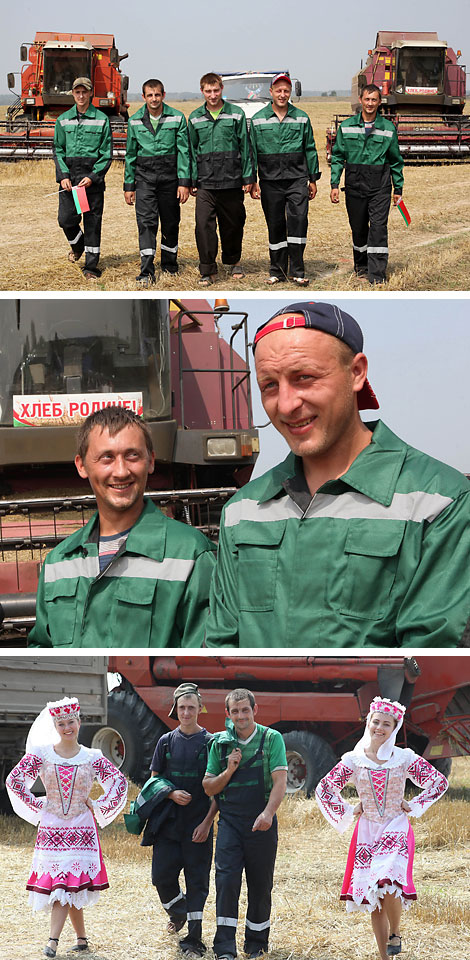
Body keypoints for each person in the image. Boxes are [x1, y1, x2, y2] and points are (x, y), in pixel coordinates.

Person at [205, 300, 470, 649]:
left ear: (357, 372)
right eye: (270, 385)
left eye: (305, 378)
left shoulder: (438, 502)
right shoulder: (242, 512)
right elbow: (220, 646)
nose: (285, 405)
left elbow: (428, 654)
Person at [29, 406, 215, 648]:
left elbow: (205, 655)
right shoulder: (57, 563)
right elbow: (42, 651)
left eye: (132, 456)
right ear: (82, 465)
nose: (121, 471)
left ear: (150, 461)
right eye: (106, 457)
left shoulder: (192, 555)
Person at [315, 696, 448, 960]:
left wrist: (414, 805)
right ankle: (384, 959)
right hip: (366, 831)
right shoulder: (353, 760)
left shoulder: (403, 758)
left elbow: (438, 782)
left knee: (388, 881)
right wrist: (349, 810)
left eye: (386, 724)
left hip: (396, 826)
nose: (380, 728)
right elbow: (325, 788)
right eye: (376, 722)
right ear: (368, 723)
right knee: (373, 894)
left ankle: (396, 934)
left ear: (394, 728)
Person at [6, 695, 127, 960]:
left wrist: (98, 806)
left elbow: (119, 783)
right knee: (67, 885)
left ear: (79, 722)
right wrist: (38, 806)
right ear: (55, 725)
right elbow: (14, 781)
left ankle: (52, 941)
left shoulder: (92, 757)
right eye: (61, 723)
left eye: (71, 722)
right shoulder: (41, 754)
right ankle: (81, 938)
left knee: (64, 885)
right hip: (51, 829)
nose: (67, 727)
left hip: (82, 829)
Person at [203, 688, 287, 960]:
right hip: (230, 823)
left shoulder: (271, 739)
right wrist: (229, 770)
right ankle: (224, 949)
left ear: (255, 710)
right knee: (226, 883)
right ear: (228, 714)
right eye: (235, 711)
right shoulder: (220, 744)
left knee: (260, 884)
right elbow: (208, 787)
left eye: (245, 710)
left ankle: (256, 944)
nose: (241, 716)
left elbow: (280, 782)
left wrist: (268, 813)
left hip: (261, 822)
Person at [145, 683, 216, 957]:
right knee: (161, 877)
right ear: (176, 709)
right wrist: (171, 793)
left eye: (192, 707)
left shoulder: (211, 743)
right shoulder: (165, 741)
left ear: (200, 709)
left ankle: (194, 940)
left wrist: (207, 823)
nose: (186, 712)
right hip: (168, 823)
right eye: (182, 707)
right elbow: (153, 781)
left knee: (197, 882)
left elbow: (218, 790)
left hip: (199, 825)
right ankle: (179, 912)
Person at [250, 73, 320, 285]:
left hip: (297, 180)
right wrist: (252, 180)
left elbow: (310, 148)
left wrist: (313, 179)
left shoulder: (302, 117)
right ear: (270, 92)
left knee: (298, 223)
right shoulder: (258, 119)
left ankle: (298, 271)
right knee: (275, 225)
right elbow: (251, 151)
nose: (282, 94)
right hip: (270, 182)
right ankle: (277, 271)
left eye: (286, 91)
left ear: (290, 94)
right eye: (278, 91)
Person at [330, 84, 404, 284]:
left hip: (380, 187)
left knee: (378, 229)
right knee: (359, 229)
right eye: (367, 99)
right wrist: (334, 184)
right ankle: (361, 267)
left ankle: (377, 275)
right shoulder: (346, 127)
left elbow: (396, 160)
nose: (370, 103)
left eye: (374, 100)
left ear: (379, 102)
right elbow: (337, 157)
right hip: (354, 186)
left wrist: (398, 188)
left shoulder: (388, 129)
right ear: (360, 100)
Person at [188, 72, 254, 285]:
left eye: (216, 90)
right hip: (206, 182)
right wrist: (192, 180)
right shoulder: (195, 117)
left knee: (233, 224)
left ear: (221, 89)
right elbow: (191, 150)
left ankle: (234, 261)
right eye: (208, 91)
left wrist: (248, 177)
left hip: (232, 180)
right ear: (202, 91)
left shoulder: (236, 114)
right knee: (203, 226)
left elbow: (245, 147)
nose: (213, 95)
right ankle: (207, 270)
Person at [124, 78, 191, 285]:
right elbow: (130, 155)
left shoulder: (177, 118)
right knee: (146, 224)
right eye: (149, 95)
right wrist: (129, 186)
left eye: (157, 95)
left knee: (171, 223)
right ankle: (147, 271)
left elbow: (184, 152)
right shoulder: (134, 121)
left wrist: (184, 182)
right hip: (144, 180)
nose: (154, 99)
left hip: (170, 180)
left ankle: (170, 265)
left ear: (163, 95)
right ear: (143, 97)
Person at [53, 76, 112, 280]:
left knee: (92, 223)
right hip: (70, 182)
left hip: (90, 183)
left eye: (84, 92)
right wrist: (63, 177)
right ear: (73, 93)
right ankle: (78, 246)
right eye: (77, 92)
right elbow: (58, 150)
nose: (80, 95)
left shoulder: (102, 119)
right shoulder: (63, 120)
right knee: (66, 220)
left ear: (90, 93)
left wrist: (93, 177)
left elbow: (106, 154)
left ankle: (91, 267)